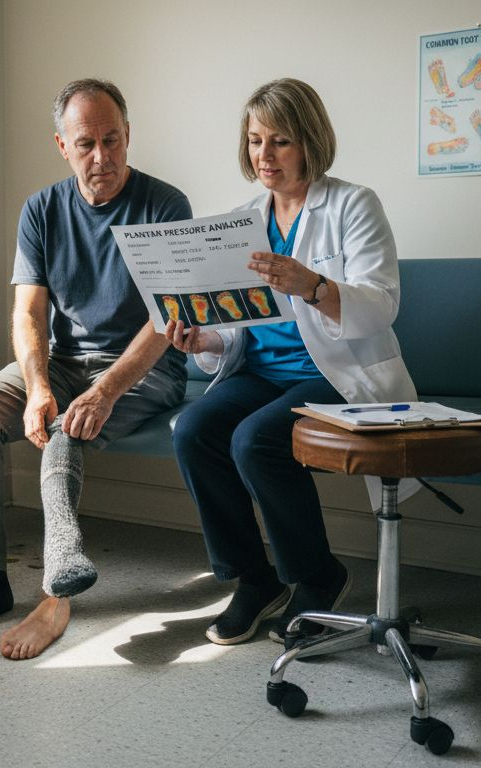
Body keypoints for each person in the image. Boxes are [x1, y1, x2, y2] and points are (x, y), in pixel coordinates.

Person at [0, 79, 192, 659]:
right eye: (86, 144)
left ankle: (57, 589)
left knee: (69, 426)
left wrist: (104, 392)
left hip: (143, 367)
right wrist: (36, 387)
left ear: (128, 136)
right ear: (62, 146)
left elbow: (164, 319)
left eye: (112, 140)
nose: (101, 156)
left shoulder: (165, 206)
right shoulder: (41, 209)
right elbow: (29, 312)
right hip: (64, 361)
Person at [166, 78, 417, 645]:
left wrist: (314, 286)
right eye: (255, 140)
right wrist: (204, 340)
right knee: (193, 430)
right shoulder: (242, 219)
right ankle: (255, 578)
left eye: (279, 141)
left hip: (335, 376)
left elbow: (383, 304)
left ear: (309, 141)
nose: (264, 154)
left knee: (255, 440)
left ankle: (316, 575)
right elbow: (237, 325)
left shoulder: (353, 205)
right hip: (259, 372)